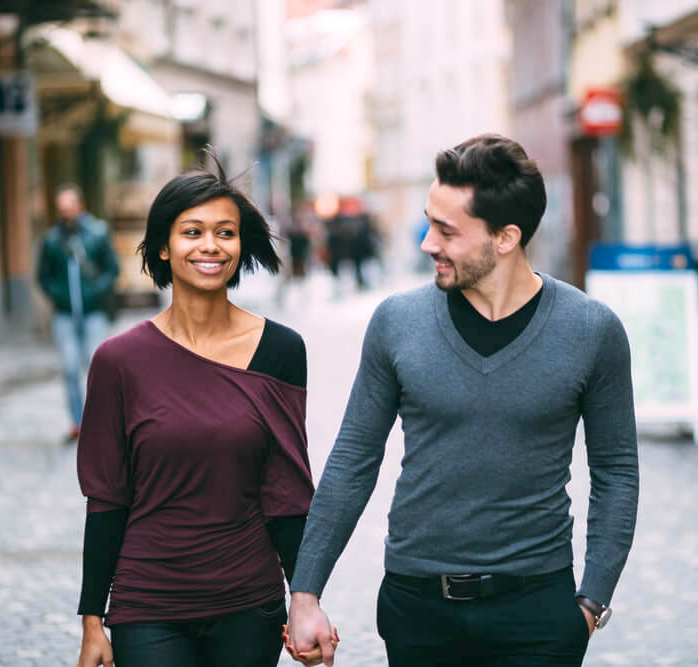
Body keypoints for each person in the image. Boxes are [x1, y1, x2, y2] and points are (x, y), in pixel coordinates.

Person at [285, 134, 639, 667]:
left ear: (505, 238)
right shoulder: (396, 323)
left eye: (447, 231)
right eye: (430, 222)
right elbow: (353, 459)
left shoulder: (591, 330)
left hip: (537, 610)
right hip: (418, 608)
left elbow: (616, 473)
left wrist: (591, 601)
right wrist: (305, 592)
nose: (428, 243)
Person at [74, 154, 318, 667]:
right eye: (192, 231)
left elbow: (287, 492)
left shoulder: (281, 350)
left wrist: (305, 598)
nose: (210, 245)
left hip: (248, 602)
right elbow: (106, 498)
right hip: (148, 603)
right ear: (164, 245)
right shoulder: (118, 361)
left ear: (240, 245)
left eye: (225, 233)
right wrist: (92, 620)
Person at [36, 184, 120, 442]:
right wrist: (58, 294)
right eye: (62, 208)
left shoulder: (97, 233)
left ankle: (100, 421)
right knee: (70, 368)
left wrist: (97, 290)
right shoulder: (51, 240)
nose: (66, 212)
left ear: (80, 206)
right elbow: (43, 276)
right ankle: (78, 422)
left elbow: (112, 269)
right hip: (64, 315)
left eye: (70, 207)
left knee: (96, 366)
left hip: (94, 312)